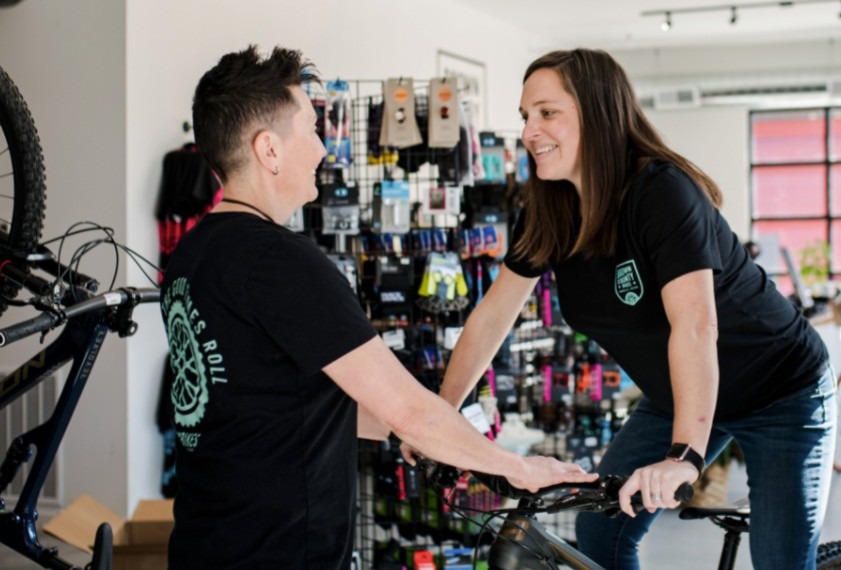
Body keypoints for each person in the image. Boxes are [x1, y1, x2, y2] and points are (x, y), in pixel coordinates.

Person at [159, 45, 595, 570]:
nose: (324, 149)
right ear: (269, 149)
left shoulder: (192, 254)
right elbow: (409, 407)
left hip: (206, 544)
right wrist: (517, 468)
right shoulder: (281, 263)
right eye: (314, 130)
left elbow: (275, 399)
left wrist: (408, 435)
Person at [427, 48, 835, 570]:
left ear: (597, 113)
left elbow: (694, 326)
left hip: (782, 392)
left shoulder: (661, 192)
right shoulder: (551, 212)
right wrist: (440, 419)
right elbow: (492, 317)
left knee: (779, 561)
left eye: (547, 113)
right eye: (525, 116)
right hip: (678, 391)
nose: (530, 131)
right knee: (600, 527)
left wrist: (684, 456)